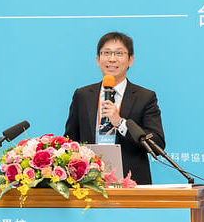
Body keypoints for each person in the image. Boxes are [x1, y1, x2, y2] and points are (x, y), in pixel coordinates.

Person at [64, 32, 165, 184]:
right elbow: (70, 140)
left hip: (132, 183)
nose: (112, 59)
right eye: (106, 53)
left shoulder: (145, 97)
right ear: (98, 60)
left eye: (119, 53)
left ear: (130, 60)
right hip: (89, 183)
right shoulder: (83, 95)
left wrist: (120, 123)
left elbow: (157, 143)